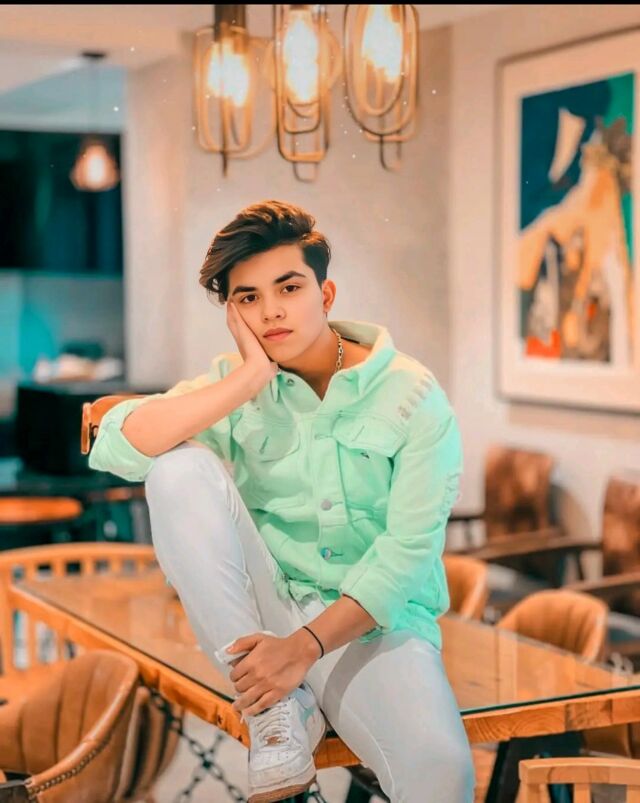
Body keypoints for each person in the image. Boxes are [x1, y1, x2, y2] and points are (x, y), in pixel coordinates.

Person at [89, 200, 475, 803]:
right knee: (178, 468)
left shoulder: (413, 396)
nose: (271, 310)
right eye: (248, 297)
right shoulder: (234, 381)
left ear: (325, 294)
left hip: (367, 624)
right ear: (232, 313)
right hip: (262, 611)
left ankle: (287, 692)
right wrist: (248, 379)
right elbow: (118, 444)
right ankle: (273, 711)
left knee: (443, 773)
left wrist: (304, 648)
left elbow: (407, 553)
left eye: (289, 288)